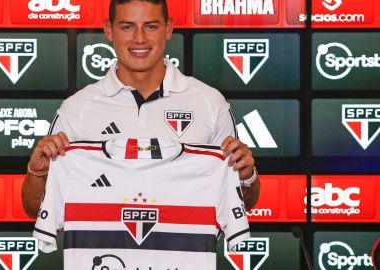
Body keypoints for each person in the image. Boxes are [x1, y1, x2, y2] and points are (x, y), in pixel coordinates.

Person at [22, 0, 260, 219]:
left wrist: (246, 177)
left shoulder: (209, 102)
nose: (139, 39)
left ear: (168, 29)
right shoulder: (76, 108)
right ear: (108, 30)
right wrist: (38, 172)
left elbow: (241, 205)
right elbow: (35, 210)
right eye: (127, 27)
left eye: (151, 26)